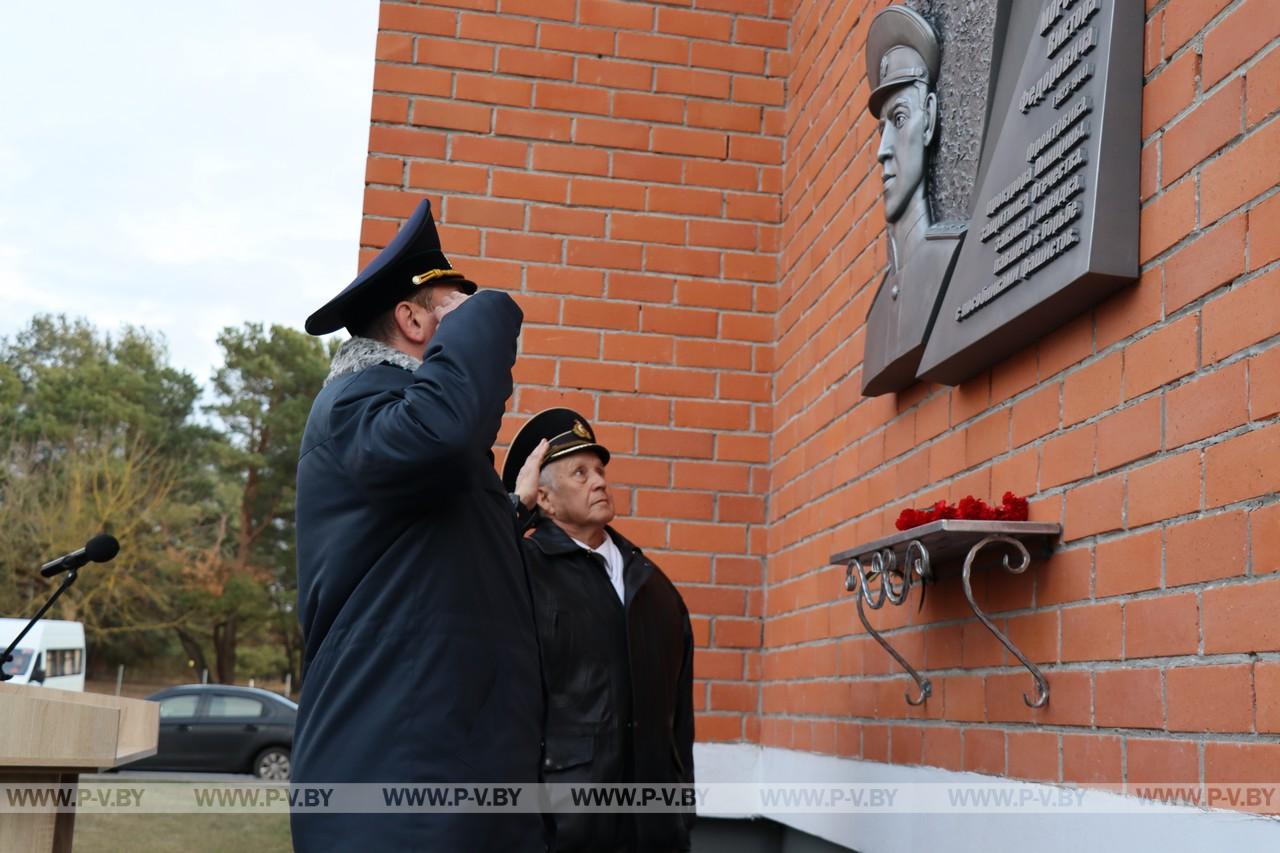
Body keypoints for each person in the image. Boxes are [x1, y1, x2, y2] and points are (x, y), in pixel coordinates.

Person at [292, 198, 545, 852]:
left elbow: (420, 560)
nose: (469, 304)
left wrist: (507, 509)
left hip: (432, 786)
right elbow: (444, 430)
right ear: (411, 318)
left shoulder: (389, 424)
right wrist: (486, 309)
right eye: (451, 300)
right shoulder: (358, 403)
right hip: (399, 798)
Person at [504, 409, 695, 853]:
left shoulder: (653, 585)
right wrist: (516, 508)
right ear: (546, 501)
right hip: (561, 830)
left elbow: (679, 721)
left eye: (600, 470)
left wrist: (682, 816)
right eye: (580, 472)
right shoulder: (520, 573)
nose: (600, 481)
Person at [860, 5, 963, 396]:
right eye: (881, 128)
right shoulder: (877, 316)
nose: (882, 151)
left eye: (899, 120)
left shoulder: (950, 257)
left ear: (931, 119)